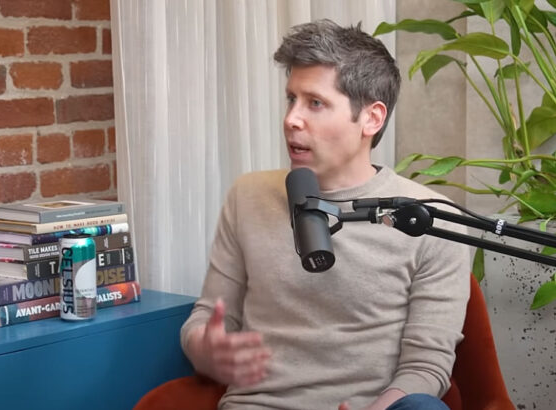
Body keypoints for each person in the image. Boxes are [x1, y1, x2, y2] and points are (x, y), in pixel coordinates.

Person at [180, 19, 470, 410]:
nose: (291, 119)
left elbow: (426, 366)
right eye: (291, 99)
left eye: (315, 103)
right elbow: (206, 318)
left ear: (372, 118)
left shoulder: (428, 220)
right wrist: (206, 350)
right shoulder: (248, 197)